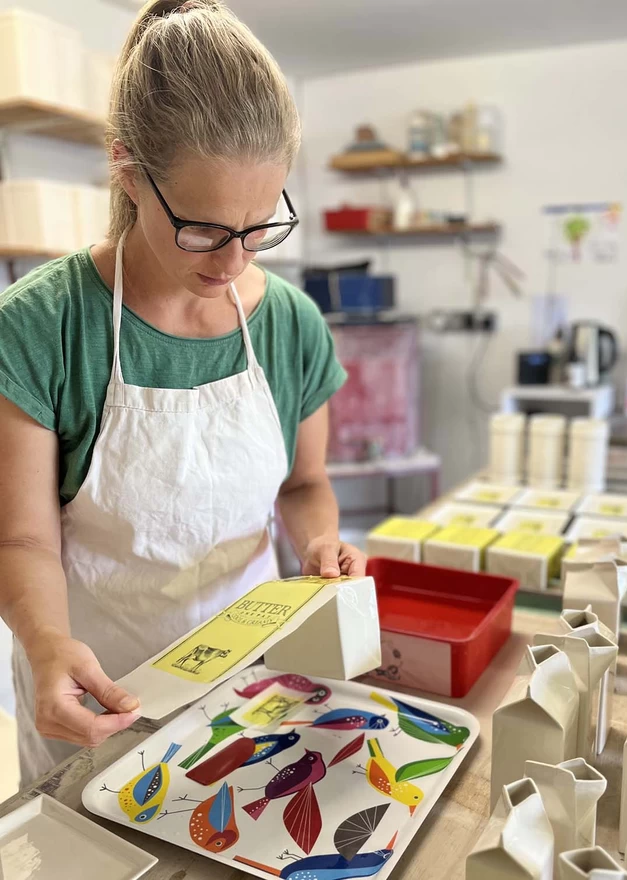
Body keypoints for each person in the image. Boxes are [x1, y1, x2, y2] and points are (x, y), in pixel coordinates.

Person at [0, 0, 365, 786]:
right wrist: (45, 644)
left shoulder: (291, 324)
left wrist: (317, 544)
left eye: (260, 227)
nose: (234, 263)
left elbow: (305, 484)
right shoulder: (45, 327)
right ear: (131, 174)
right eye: (202, 229)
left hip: (255, 698)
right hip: (100, 699)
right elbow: (23, 541)